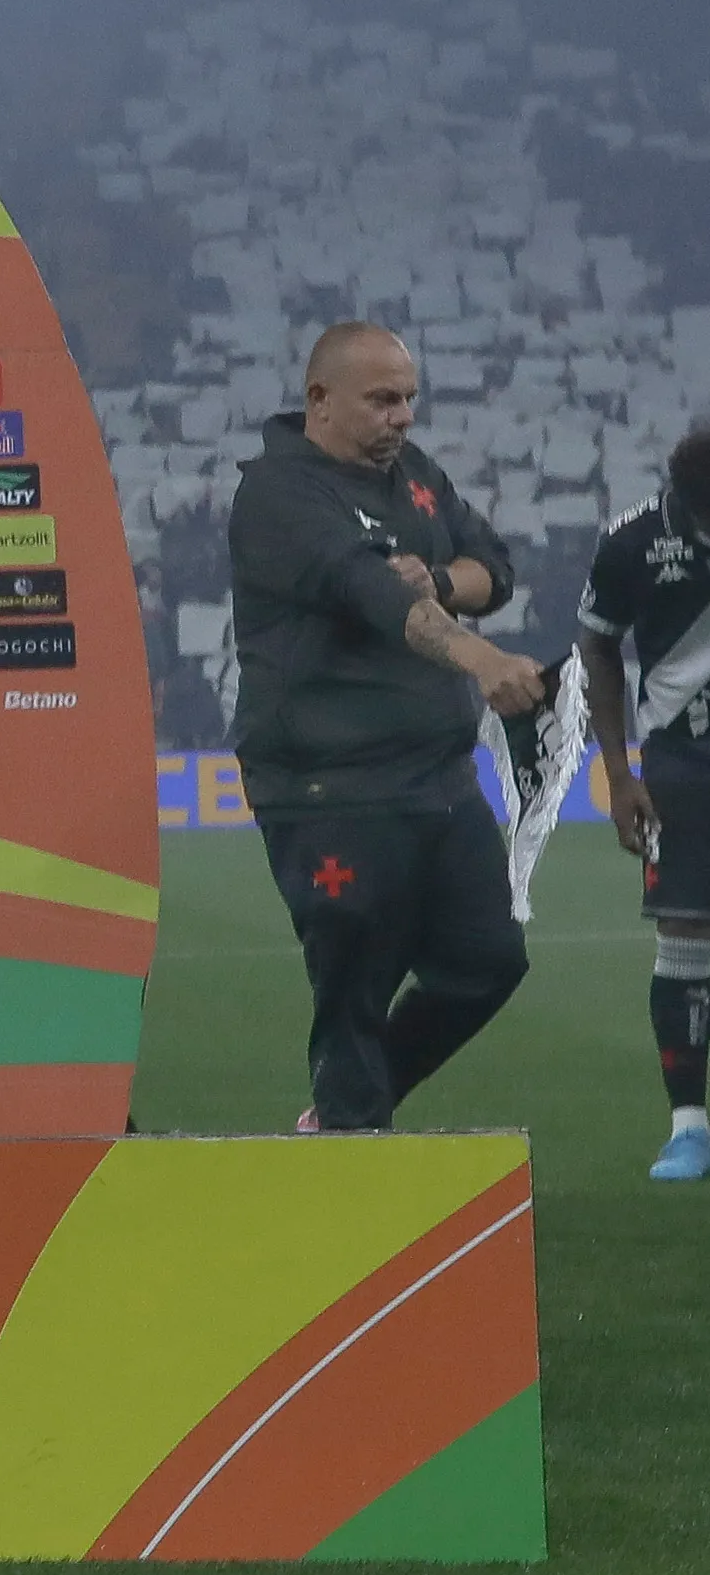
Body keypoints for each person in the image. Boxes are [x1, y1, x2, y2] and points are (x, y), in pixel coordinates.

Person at [224, 321, 548, 1134]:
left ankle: (350, 1110)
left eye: (408, 398)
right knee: (355, 987)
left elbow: (493, 568)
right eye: (382, 400)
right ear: (320, 401)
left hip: (436, 777)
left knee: (489, 961)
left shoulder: (417, 476)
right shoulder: (281, 494)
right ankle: (350, 1145)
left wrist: (439, 577)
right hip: (331, 787)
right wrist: (477, 658)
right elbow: (369, 594)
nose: (402, 417)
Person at [580, 422, 710, 1181]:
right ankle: (688, 1129)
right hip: (680, 769)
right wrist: (618, 773)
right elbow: (597, 643)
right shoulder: (633, 540)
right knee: (686, 932)